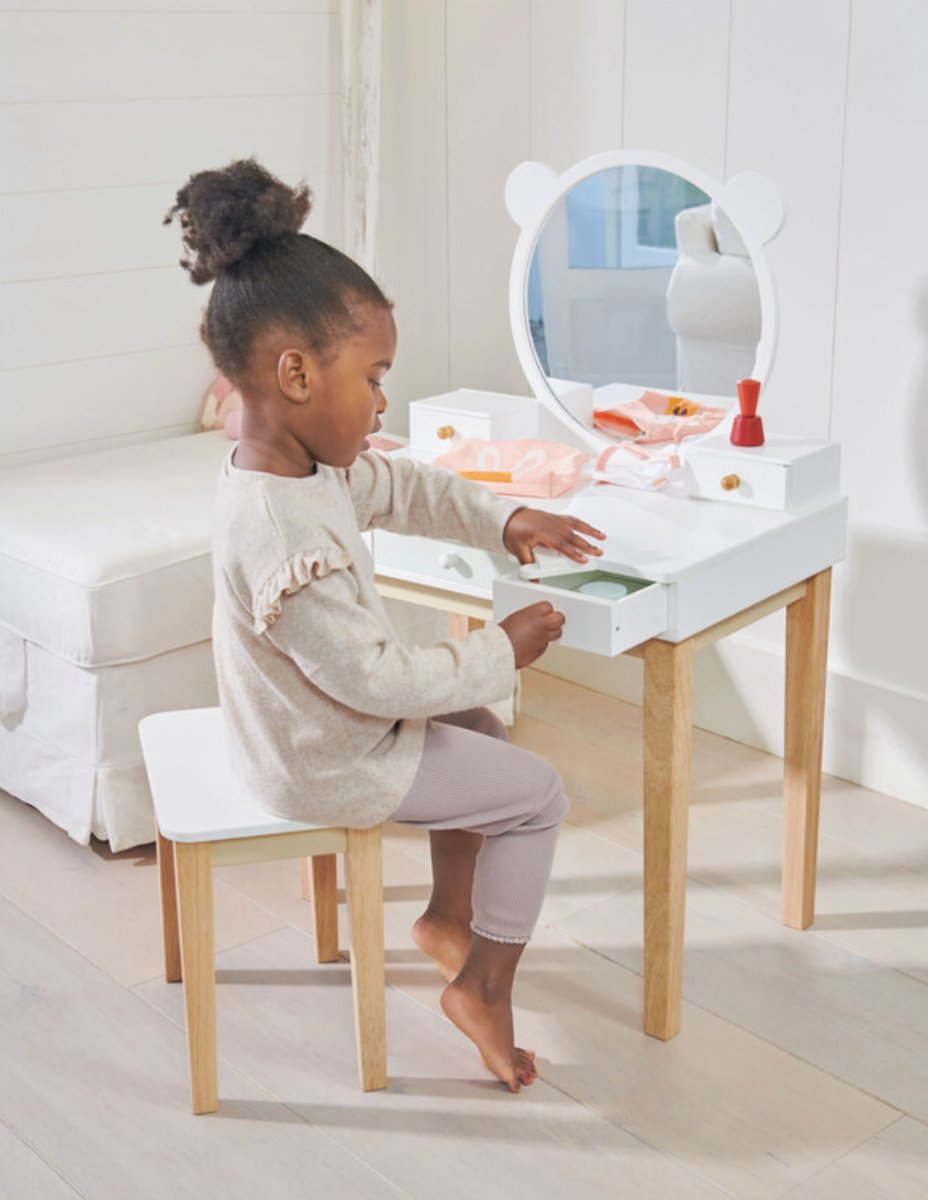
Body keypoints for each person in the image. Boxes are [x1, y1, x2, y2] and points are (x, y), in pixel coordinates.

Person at [165, 159, 606, 1092]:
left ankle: (447, 920)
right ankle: (483, 984)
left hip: (304, 731)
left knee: (475, 733)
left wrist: (501, 519)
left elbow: (398, 483)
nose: (381, 403)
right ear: (294, 373)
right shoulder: (285, 529)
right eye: (373, 378)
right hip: (322, 756)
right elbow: (374, 682)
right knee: (536, 795)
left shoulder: (292, 473)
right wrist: (499, 650)